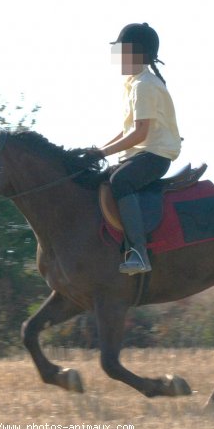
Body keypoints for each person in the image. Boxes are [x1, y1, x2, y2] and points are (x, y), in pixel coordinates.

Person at [87, 23, 182, 275]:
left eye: (121, 52)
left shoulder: (144, 86)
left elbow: (140, 134)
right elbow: (129, 129)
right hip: (142, 152)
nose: (116, 58)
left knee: (120, 181)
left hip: (155, 155)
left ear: (137, 54)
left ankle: (139, 252)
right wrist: (97, 151)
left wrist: (103, 154)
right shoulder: (133, 83)